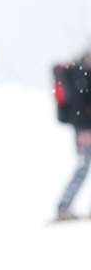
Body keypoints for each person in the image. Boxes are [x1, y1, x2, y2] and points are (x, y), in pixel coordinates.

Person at [53, 51, 91, 221]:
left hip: (86, 128)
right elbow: (79, 107)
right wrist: (83, 129)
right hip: (85, 130)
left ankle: (65, 206)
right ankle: (64, 206)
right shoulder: (80, 75)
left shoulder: (85, 74)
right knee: (82, 167)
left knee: (83, 166)